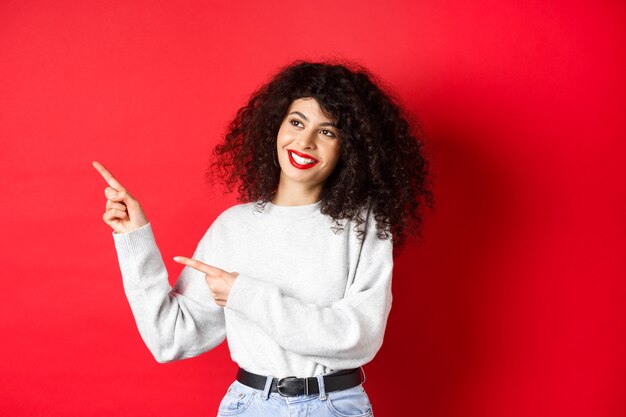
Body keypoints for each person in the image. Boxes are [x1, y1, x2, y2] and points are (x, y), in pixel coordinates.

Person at [94, 59, 433, 417]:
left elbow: (358, 337)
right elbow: (171, 339)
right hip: (251, 405)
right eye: (297, 122)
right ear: (276, 125)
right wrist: (135, 240)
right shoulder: (234, 228)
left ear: (350, 149)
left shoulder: (364, 226)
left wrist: (244, 295)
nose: (305, 141)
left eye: (328, 132)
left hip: (335, 406)